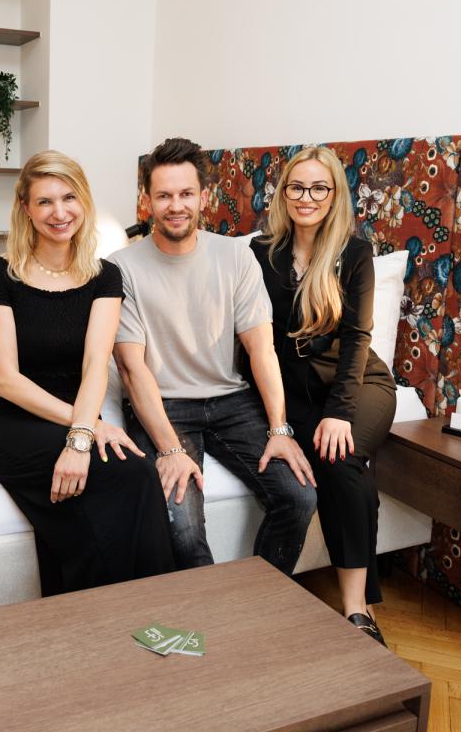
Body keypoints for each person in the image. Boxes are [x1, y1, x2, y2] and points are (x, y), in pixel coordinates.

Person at [109, 137, 317, 578]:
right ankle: (211, 613)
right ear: (147, 200)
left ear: (204, 196)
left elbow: (261, 349)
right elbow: (131, 368)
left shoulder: (236, 257)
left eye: (186, 193)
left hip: (231, 401)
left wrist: (280, 428)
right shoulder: (121, 267)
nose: (175, 206)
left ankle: (256, 604)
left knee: (299, 497)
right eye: (164, 195)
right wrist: (169, 449)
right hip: (163, 405)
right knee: (183, 531)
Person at [0, 149, 175, 596]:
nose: (59, 213)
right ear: (25, 208)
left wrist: (82, 433)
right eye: (44, 201)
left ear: (83, 202)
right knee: (115, 481)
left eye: (68, 198)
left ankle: (153, 608)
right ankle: (107, 614)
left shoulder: (104, 276)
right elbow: (7, 382)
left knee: (137, 475)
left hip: (77, 412)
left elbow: (95, 364)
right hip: (11, 419)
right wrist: (86, 431)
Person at [249, 145, 397, 646]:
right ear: (283, 193)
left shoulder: (354, 254)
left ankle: (356, 609)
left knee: (340, 458)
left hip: (358, 384)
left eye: (318, 188)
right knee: (340, 466)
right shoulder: (262, 253)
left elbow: (357, 339)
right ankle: (359, 597)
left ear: (334, 195)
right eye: (297, 186)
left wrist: (339, 415)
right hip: (297, 390)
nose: (306, 197)